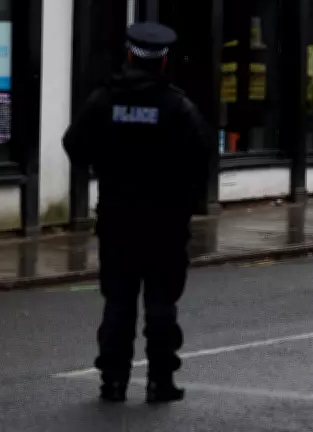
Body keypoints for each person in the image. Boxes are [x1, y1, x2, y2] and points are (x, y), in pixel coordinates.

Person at [62, 22, 210, 404]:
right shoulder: (178, 106)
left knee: (118, 301)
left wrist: (106, 164)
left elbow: (74, 145)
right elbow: (202, 157)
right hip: (165, 221)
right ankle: (161, 381)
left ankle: (112, 381)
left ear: (129, 56)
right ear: (163, 62)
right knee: (161, 303)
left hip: (118, 218)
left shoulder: (103, 100)